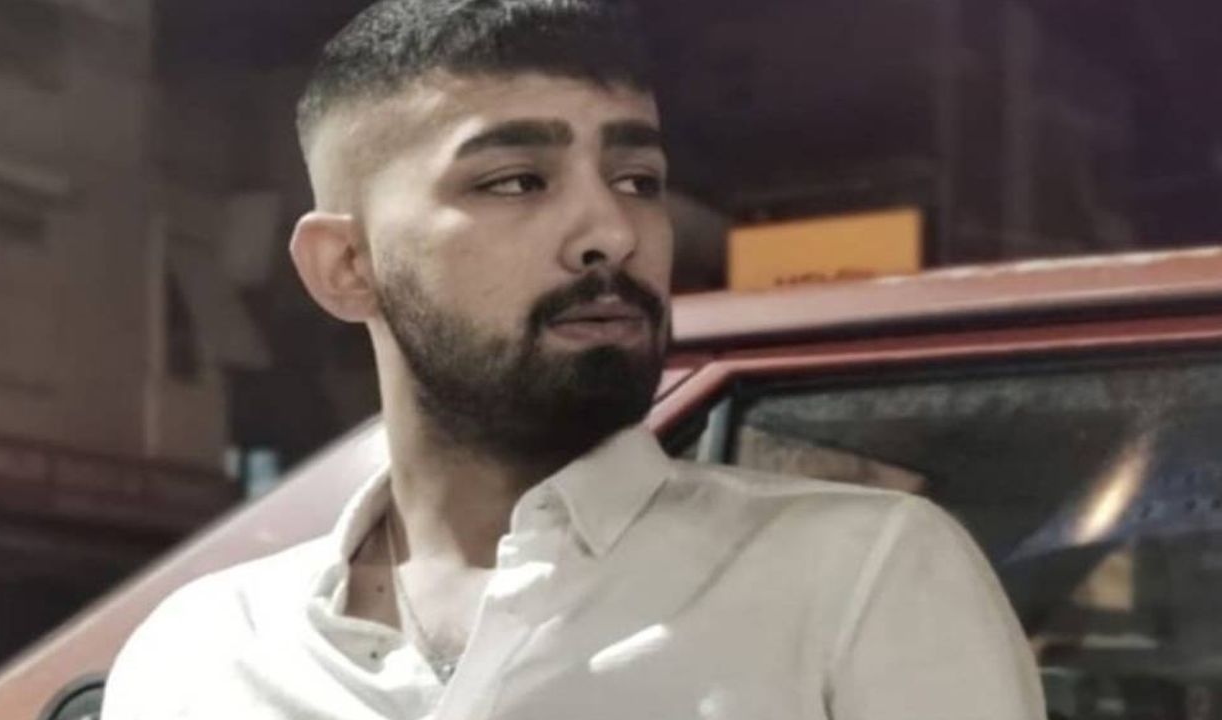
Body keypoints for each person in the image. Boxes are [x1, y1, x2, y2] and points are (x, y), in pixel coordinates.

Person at [102, 1, 1047, 718]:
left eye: (637, 179)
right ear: (347, 266)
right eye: (517, 181)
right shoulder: (199, 654)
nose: (612, 231)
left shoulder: (859, 576)